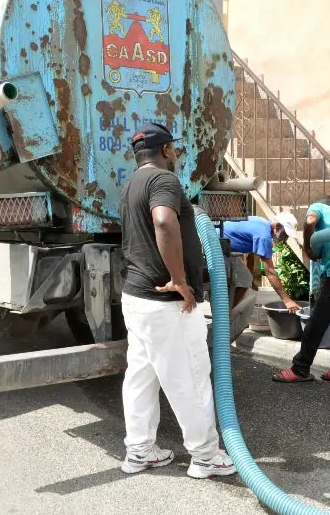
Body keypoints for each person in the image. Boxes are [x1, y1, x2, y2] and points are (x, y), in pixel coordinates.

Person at [117, 122, 237, 478]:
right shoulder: (164, 181)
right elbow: (165, 222)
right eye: (176, 149)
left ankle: (139, 452)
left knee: (141, 376)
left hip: (136, 298)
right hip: (167, 303)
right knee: (190, 376)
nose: (177, 155)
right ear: (167, 150)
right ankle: (205, 457)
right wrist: (180, 280)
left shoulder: (130, 186)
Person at [272, 195, 330, 385]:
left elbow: (310, 222)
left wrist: (307, 247)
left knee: (318, 320)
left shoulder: (319, 207)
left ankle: (300, 368)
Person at [221, 214, 302, 313]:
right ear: (277, 227)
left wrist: (251, 279)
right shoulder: (264, 237)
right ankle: (225, 316)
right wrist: (287, 300)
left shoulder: (262, 222)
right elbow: (270, 272)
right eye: (285, 234)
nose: (285, 238)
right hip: (216, 245)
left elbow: (250, 255)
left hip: (223, 245)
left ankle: (227, 314)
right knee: (237, 281)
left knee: (245, 278)